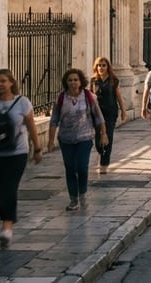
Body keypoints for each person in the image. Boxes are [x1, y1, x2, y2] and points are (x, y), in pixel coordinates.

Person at [0, 69, 41, 246]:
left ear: (11, 82)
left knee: (10, 187)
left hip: (17, 153)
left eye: (4, 81)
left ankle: (7, 226)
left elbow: (31, 126)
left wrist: (38, 147)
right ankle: (7, 221)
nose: (1, 84)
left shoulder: (22, 102)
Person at [47, 68, 107, 212]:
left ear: (80, 82)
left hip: (84, 138)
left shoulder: (87, 96)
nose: (73, 83)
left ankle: (83, 194)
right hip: (66, 139)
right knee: (70, 169)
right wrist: (50, 140)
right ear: (66, 83)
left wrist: (103, 133)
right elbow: (54, 119)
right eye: (70, 80)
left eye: (76, 80)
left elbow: (98, 116)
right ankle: (73, 199)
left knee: (81, 167)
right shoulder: (61, 98)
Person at [89, 56, 126, 174]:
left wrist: (123, 111)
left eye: (103, 65)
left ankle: (104, 163)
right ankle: (101, 152)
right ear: (96, 67)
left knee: (108, 136)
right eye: (99, 65)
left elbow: (118, 96)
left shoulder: (113, 80)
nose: (101, 68)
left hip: (110, 112)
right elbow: (89, 96)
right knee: (98, 139)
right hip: (97, 113)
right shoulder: (93, 81)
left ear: (107, 67)